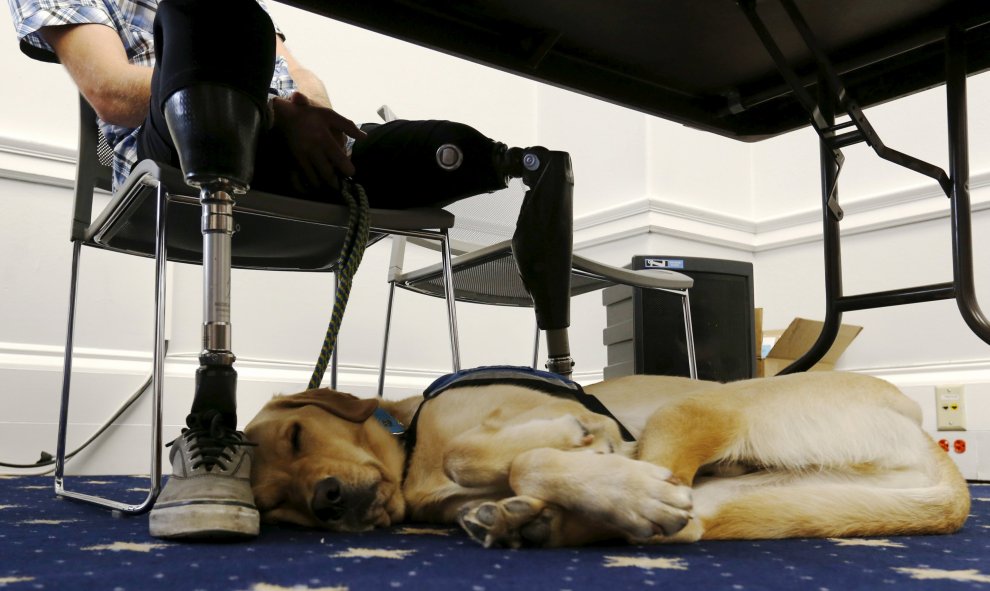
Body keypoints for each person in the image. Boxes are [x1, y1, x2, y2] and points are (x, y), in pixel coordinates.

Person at [10, 0, 575, 541]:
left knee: (456, 151)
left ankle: (561, 373)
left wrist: (305, 110)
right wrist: (272, 111)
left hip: (290, 151)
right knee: (214, 20)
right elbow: (110, 92)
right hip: (175, 157)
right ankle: (212, 422)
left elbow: (306, 79)